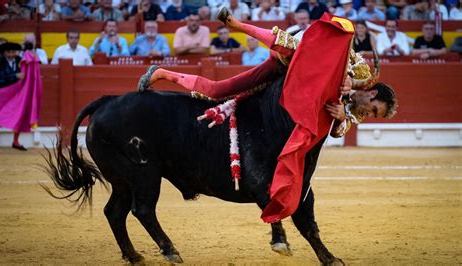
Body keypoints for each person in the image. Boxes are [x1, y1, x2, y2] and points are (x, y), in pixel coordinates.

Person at [138, 8, 397, 222]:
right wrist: (348, 78)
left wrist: (341, 115)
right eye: (374, 110)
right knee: (219, 90)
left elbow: (339, 130)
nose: (367, 114)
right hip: (286, 66)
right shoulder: (362, 71)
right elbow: (314, 46)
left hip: (292, 100)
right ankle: (164, 73)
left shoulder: (355, 112)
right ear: (372, 94)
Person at [0, 43, 26, 152]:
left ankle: (16, 141)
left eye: (14, 51)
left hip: (16, 93)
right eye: (9, 52)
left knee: (19, 115)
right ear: (4, 53)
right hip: (1, 94)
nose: (12, 54)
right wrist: (15, 76)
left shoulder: (20, 60)